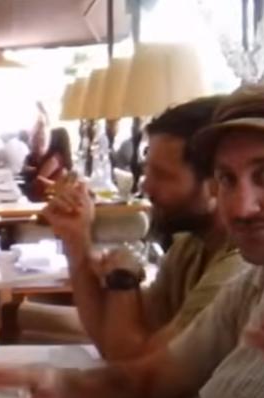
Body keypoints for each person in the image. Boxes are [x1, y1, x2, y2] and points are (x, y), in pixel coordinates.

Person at [0, 82, 264, 398]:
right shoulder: (256, 276)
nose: (240, 205)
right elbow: (146, 382)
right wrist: (46, 383)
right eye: (227, 179)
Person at [44, 96, 247, 360]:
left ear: (216, 184)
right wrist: (76, 241)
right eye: (147, 172)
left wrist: (123, 282)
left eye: (162, 175)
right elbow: (110, 341)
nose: (146, 187)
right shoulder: (189, 247)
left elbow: (134, 362)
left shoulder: (237, 267)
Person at [27, 127, 72, 201]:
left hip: (43, 197)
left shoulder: (54, 159)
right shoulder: (62, 158)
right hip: (52, 196)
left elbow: (39, 179)